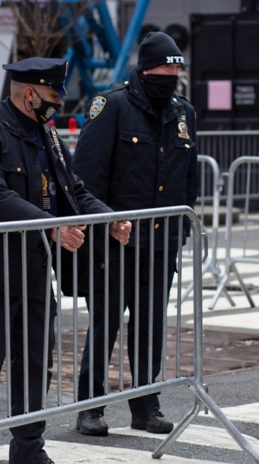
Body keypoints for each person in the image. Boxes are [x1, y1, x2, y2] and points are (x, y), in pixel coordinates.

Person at [0, 57, 132, 464]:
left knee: (34, 365)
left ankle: (29, 451)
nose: (57, 103)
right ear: (29, 93)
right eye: (52, 95)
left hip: (33, 269)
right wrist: (50, 227)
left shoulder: (46, 135)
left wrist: (108, 219)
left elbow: (75, 190)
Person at [71, 32, 199, 437]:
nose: (173, 75)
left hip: (161, 243)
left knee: (149, 326)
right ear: (147, 69)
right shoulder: (112, 105)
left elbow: (188, 178)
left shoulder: (182, 112)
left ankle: (146, 405)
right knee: (106, 322)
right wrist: (104, 224)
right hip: (117, 241)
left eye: (177, 68)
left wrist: (180, 230)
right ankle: (89, 407)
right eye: (166, 68)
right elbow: (86, 177)